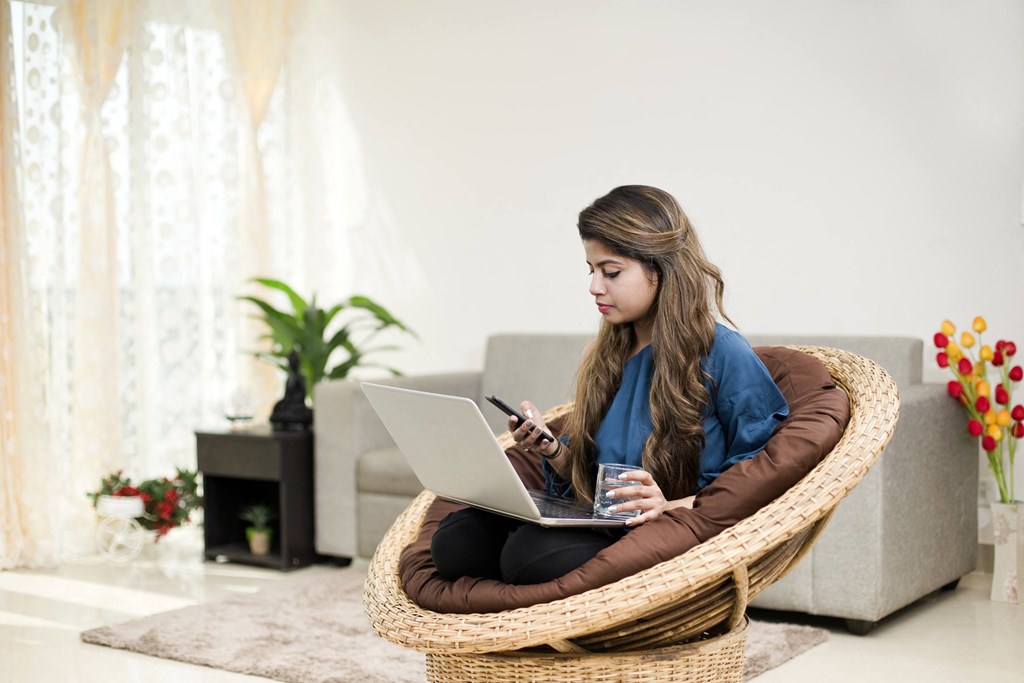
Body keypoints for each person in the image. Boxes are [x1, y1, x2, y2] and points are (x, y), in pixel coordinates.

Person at [430, 185, 789, 585]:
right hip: (598, 518)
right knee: (455, 540)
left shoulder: (723, 352)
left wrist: (674, 505)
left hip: (661, 531)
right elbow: (591, 477)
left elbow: (762, 470)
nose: (595, 287)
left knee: (528, 556)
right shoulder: (606, 352)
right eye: (591, 270)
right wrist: (550, 449)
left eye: (611, 272)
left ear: (661, 269)